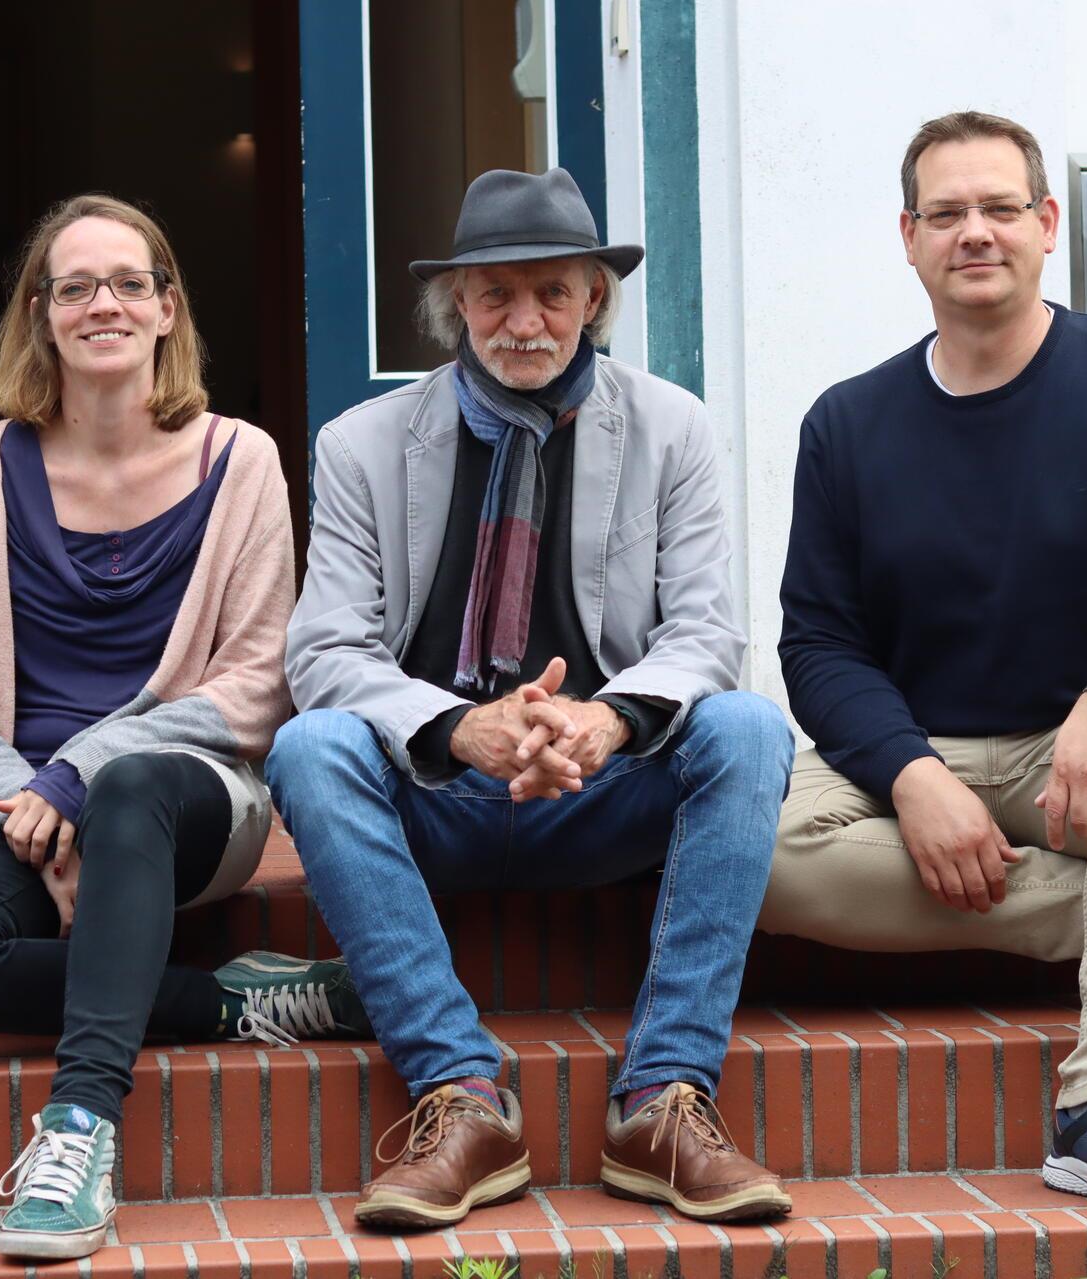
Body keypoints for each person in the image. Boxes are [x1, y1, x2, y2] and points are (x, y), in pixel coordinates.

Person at [268, 167, 795, 1231]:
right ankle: (462, 1093)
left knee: (747, 724)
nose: (525, 321)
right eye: (497, 294)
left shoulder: (672, 428)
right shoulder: (362, 446)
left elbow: (707, 633)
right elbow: (325, 648)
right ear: (455, 303)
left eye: (553, 291)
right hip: (436, 797)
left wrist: (606, 721)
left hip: (604, 794)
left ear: (595, 297)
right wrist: (465, 728)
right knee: (311, 744)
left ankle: (662, 1098)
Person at [762, 112, 1087, 1217]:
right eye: (946, 214)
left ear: (1045, 223)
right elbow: (820, 642)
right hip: (925, 748)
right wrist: (910, 776)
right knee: (758, 844)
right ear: (908, 236)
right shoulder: (848, 424)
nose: (973, 233)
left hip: (1085, 755)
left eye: (997, 209)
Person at [0, 194, 367, 1261]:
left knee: (134, 785)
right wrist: (26, 800)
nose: (106, 303)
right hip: (14, 797)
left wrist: (76, 776)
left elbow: (255, 688)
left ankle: (79, 1125)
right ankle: (232, 1002)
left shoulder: (243, 464)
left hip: (188, 797)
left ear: (168, 309)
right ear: (41, 315)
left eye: (130, 283)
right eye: (76, 285)